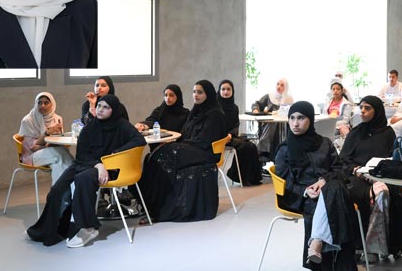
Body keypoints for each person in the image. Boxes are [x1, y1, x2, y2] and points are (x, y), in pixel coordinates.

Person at [26, 95, 144, 247]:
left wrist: (115, 153)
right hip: (86, 163)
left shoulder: (122, 125)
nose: (100, 110)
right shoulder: (91, 126)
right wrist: (98, 164)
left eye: (106, 107)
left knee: (82, 179)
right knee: (57, 189)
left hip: (111, 167)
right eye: (99, 106)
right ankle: (51, 229)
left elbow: (139, 140)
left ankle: (88, 228)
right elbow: (81, 153)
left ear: (114, 110)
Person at [274, 102, 362, 271]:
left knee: (334, 189)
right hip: (304, 197)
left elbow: (338, 169)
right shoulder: (285, 149)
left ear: (311, 120)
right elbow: (285, 182)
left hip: (329, 188)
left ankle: (317, 241)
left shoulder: (324, 143)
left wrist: (323, 181)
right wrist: (306, 191)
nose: (295, 123)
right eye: (292, 118)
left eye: (301, 118)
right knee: (339, 204)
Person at [140, 80, 228, 222]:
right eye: (194, 92)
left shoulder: (215, 114)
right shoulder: (195, 111)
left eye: (200, 92)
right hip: (193, 148)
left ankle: (161, 208)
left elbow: (204, 141)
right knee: (157, 155)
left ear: (208, 94)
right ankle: (149, 202)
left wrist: (179, 145)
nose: (196, 95)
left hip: (206, 152)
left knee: (168, 154)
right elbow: (185, 133)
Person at [338, 95, 401, 258]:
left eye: (367, 108)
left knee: (386, 193)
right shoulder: (356, 133)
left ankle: (377, 247)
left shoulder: (388, 133)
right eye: (361, 108)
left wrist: (379, 173)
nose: (362, 112)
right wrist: (355, 170)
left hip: (383, 176)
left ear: (377, 111)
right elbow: (343, 160)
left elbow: (394, 159)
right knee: (361, 193)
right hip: (357, 176)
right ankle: (362, 246)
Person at [18, 92, 73, 184]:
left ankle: (62, 192)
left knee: (60, 164)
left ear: (52, 104)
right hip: (32, 156)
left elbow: (59, 142)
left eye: (46, 103)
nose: (42, 106)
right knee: (61, 156)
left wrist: (53, 140)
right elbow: (33, 147)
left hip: (52, 152)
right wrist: (47, 133)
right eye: (39, 103)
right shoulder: (28, 120)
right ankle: (67, 191)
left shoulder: (57, 119)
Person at [217, 79, 262, 186]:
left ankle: (252, 179)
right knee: (245, 147)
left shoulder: (234, 107)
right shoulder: (215, 107)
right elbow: (214, 125)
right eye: (223, 89)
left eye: (228, 89)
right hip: (218, 138)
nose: (226, 92)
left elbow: (236, 124)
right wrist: (224, 136)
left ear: (232, 91)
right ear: (219, 91)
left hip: (230, 137)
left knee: (252, 146)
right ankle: (237, 176)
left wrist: (230, 134)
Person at [252, 78, 293, 160]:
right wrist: (255, 109)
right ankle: (263, 152)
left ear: (286, 87)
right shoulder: (269, 96)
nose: (279, 86)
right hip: (269, 125)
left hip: (284, 126)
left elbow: (288, 113)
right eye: (277, 84)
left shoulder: (289, 99)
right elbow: (257, 104)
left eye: (282, 85)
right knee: (271, 123)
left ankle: (263, 150)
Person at [324, 79, 354, 147]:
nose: (335, 91)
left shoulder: (346, 104)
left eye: (338, 89)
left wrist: (332, 124)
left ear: (342, 91)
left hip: (339, 126)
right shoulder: (328, 102)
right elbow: (324, 115)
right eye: (333, 89)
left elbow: (345, 120)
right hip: (328, 124)